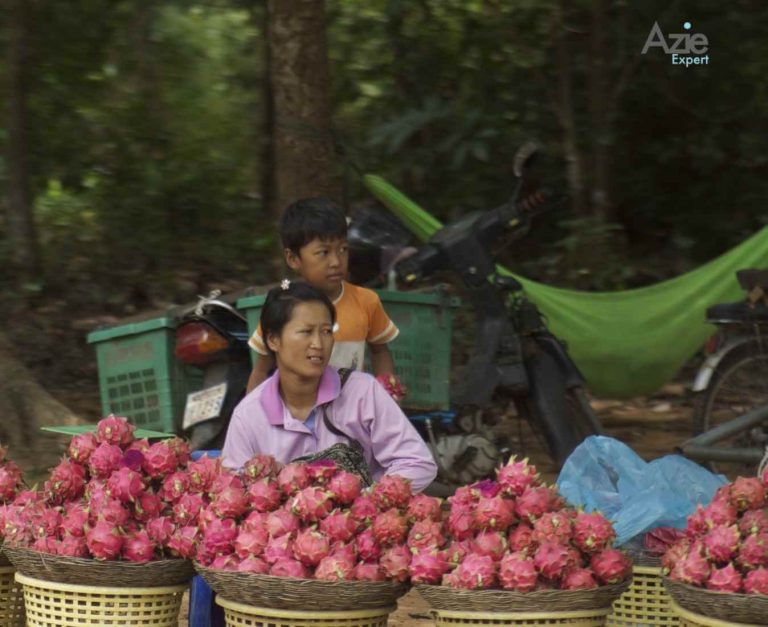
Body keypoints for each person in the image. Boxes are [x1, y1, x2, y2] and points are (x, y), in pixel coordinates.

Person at [223, 282, 437, 492]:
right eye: (306, 331)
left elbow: (417, 462)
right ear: (273, 340)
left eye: (326, 331)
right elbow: (232, 488)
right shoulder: (249, 416)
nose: (318, 343)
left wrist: (368, 500)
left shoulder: (363, 392)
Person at [246, 198, 400, 393]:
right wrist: (250, 410)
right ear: (293, 259)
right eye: (323, 252)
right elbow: (261, 370)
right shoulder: (281, 305)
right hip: (298, 410)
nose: (336, 262)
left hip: (351, 409)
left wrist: (389, 393)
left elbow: (379, 351)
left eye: (343, 249)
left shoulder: (366, 301)